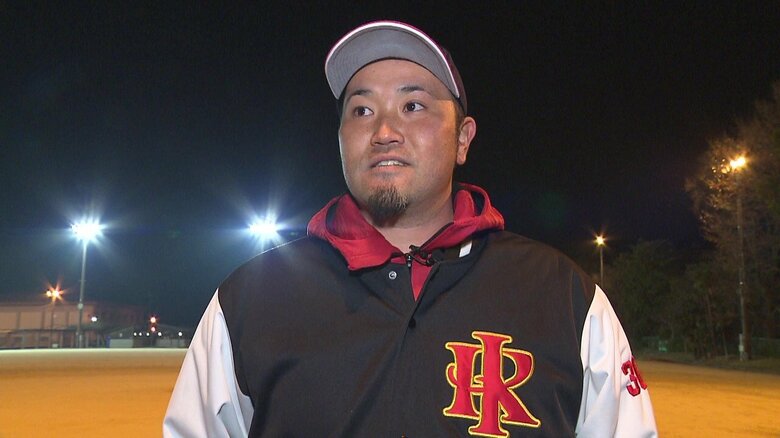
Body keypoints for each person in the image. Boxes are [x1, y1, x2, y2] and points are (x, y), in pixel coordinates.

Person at [164, 20, 657, 437]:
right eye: (361, 110)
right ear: (340, 138)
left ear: (463, 139)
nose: (383, 131)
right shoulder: (251, 298)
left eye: (413, 106)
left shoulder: (565, 298)